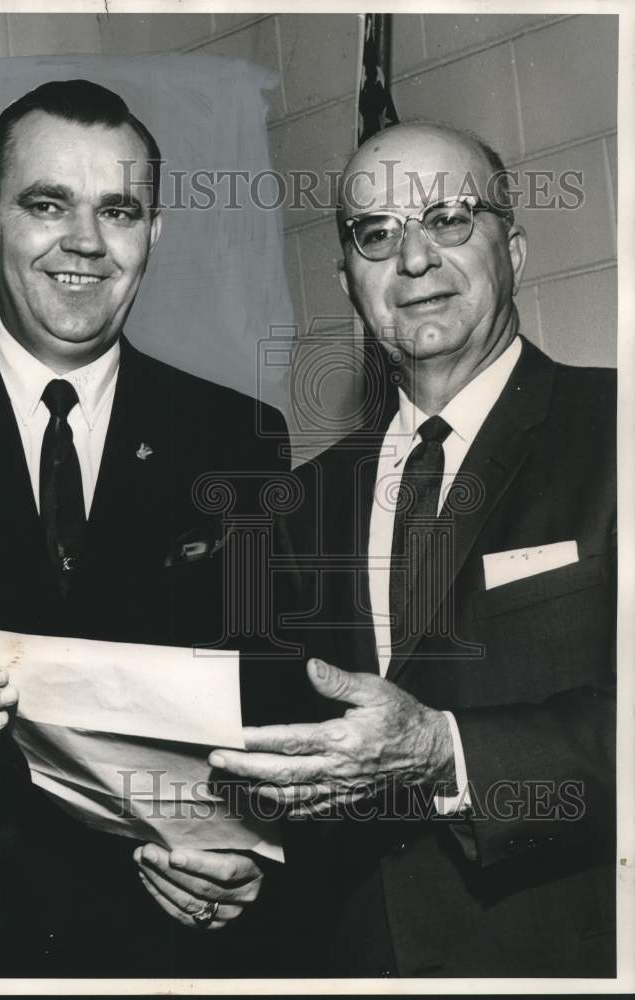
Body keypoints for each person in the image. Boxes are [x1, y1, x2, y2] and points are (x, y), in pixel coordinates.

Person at [0, 79, 294, 978]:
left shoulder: (239, 439)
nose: (85, 243)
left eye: (119, 210)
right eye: (46, 204)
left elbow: (268, 697)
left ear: (154, 235)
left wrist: (246, 861)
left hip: (157, 951)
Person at [209, 122, 616, 977]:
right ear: (349, 279)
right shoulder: (301, 502)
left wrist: (445, 751)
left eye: (449, 219)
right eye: (376, 234)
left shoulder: (612, 432)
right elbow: (286, 752)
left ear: (516, 243)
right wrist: (219, 851)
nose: (415, 259)